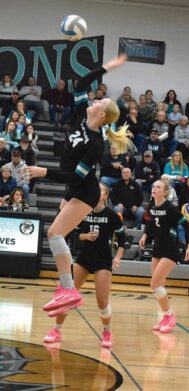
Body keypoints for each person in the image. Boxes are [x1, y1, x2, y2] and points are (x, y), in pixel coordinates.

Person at [28, 54, 131, 317]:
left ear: (101, 113)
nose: (96, 99)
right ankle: (68, 289)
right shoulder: (82, 117)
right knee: (54, 234)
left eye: (101, 101)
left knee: (55, 234)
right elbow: (82, 82)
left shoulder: (96, 144)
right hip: (75, 190)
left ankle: (69, 290)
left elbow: (75, 177)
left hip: (86, 192)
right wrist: (110, 66)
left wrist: (43, 171)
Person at [43, 183, 127, 347]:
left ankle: (107, 332)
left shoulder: (112, 215)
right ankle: (56, 330)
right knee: (67, 297)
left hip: (103, 261)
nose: (97, 191)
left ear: (105, 196)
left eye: (101, 190)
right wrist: (85, 236)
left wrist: (118, 257)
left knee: (102, 302)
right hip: (83, 259)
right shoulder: (83, 212)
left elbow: (123, 238)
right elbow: (74, 234)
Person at [139, 179, 189, 333]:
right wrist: (145, 235)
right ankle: (165, 316)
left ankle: (169, 316)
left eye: (158, 187)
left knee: (154, 284)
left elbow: (187, 225)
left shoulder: (171, 208)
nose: (154, 189)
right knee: (157, 287)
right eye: (154, 186)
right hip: (158, 247)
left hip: (171, 248)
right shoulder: (151, 206)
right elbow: (151, 223)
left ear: (165, 192)